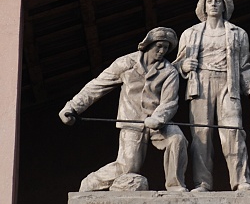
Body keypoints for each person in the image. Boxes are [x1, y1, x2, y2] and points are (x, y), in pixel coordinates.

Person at [59, 27, 188, 192]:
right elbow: (98, 85)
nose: (162, 51)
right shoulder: (126, 63)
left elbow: (170, 102)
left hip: (158, 122)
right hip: (131, 122)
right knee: (128, 168)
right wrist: (72, 106)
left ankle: (175, 185)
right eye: (159, 46)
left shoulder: (169, 71)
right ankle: (92, 182)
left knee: (177, 139)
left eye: (166, 48)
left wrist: (158, 118)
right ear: (148, 44)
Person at [175, 0, 250, 192]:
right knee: (201, 136)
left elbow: (244, 66)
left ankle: (241, 180)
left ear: (225, 5)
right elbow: (175, 65)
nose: (214, 4)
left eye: (218, 1)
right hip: (200, 85)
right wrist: (183, 66)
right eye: (209, 1)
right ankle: (202, 183)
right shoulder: (190, 33)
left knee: (234, 131)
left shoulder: (238, 33)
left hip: (229, 84)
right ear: (203, 6)